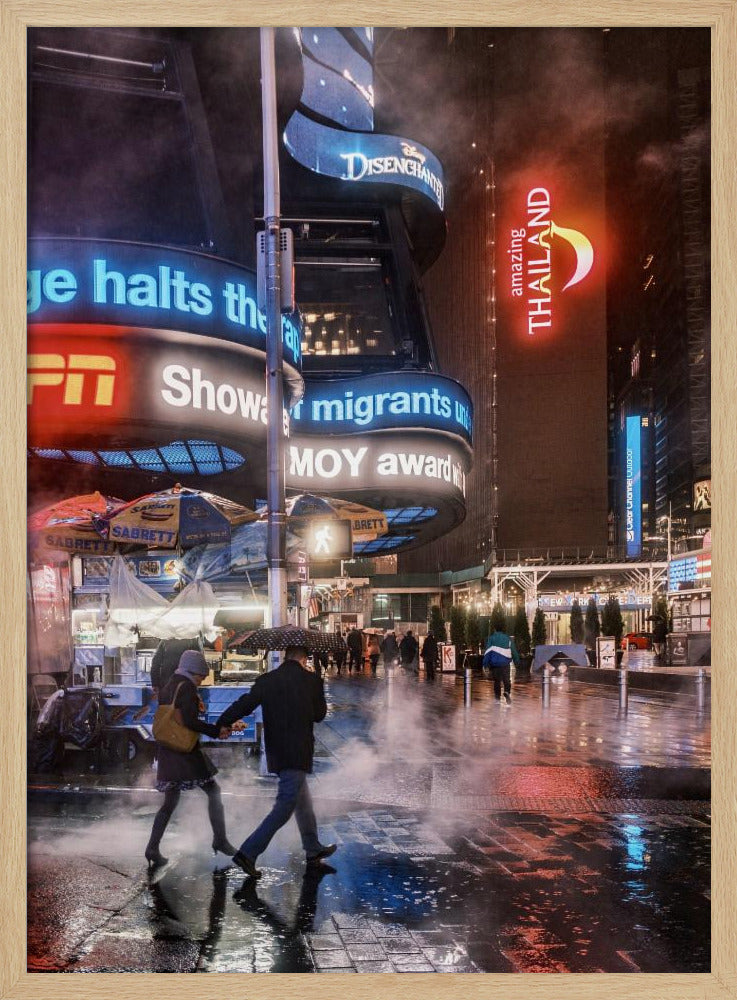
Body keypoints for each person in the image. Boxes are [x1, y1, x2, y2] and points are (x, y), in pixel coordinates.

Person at [215, 645, 336, 879]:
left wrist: (224, 721)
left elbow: (245, 704)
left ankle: (312, 849)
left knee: (302, 801)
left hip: (277, 750)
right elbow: (319, 716)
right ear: (304, 658)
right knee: (285, 805)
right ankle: (247, 853)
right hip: (298, 750)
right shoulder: (311, 680)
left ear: (286, 656)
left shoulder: (268, 680)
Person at [145, 650, 235, 869]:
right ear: (192, 670)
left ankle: (152, 848)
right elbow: (188, 720)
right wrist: (216, 731)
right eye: (200, 675)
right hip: (184, 752)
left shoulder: (170, 684)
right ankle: (220, 839)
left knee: (170, 801)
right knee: (213, 791)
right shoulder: (186, 687)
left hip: (169, 749)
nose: (202, 679)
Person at [482, 628, 520, 705]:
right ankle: (507, 692)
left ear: (495, 629)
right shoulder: (508, 638)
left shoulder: (492, 638)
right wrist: (517, 661)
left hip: (495, 664)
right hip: (505, 663)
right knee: (507, 680)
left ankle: (497, 698)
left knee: (497, 681)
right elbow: (513, 650)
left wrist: (485, 664)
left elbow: (488, 652)